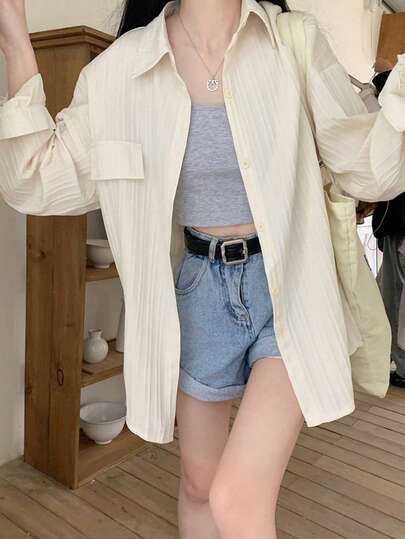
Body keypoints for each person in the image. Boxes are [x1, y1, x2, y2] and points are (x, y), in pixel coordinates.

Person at [1, 1, 405, 537]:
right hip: (198, 295)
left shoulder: (294, 43)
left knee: (237, 498)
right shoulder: (122, 68)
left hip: (290, 288)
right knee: (198, 486)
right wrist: (14, 36)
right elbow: (35, 178)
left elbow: (371, 172)